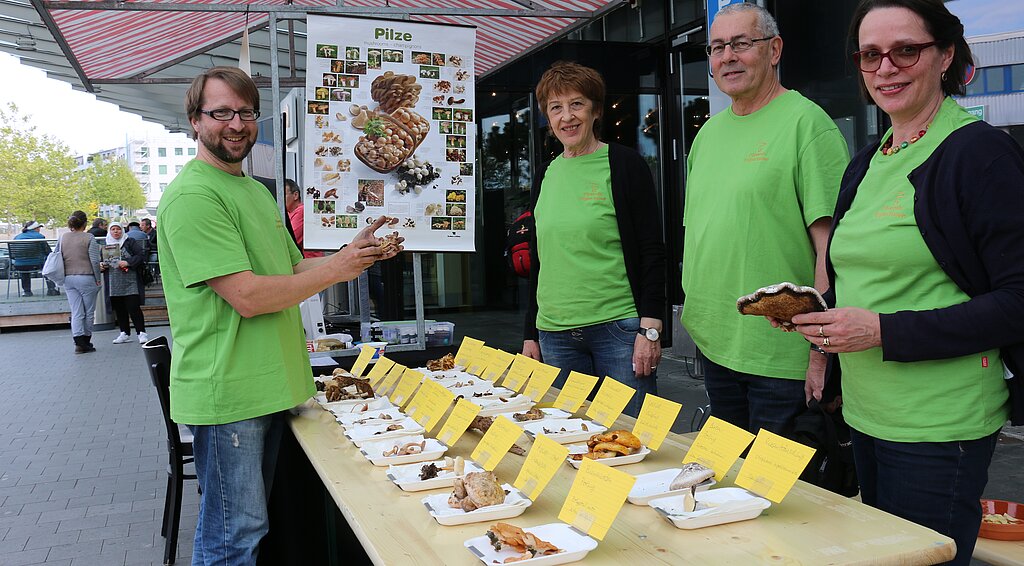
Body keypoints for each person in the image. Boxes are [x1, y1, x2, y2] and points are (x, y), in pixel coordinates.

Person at [789, 1, 1024, 562]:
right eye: (871, 55)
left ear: (945, 55)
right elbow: (858, 277)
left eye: (905, 50)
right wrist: (821, 329)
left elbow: (1017, 301)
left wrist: (882, 332)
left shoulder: (979, 155)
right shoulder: (867, 161)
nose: (886, 68)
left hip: (940, 424)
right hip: (865, 414)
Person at [158, 66, 402, 565]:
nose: (236, 123)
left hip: (269, 386)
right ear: (194, 121)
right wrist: (337, 268)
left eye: (246, 112)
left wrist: (349, 253)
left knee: (250, 530)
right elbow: (247, 296)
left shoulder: (251, 190)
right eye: (221, 112)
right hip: (231, 395)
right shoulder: (193, 196)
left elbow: (290, 270)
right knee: (233, 539)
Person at [680, 3, 849, 437]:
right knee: (730, 494)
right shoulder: (707, 135)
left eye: (741, 43)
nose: (727, 57)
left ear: (774, 50)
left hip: (780, 358)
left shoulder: (808, 125)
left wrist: (819, 354)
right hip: (716, 347)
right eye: (717, 47)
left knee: (782, 498)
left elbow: (832, 253)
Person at [522, 61, 666, 418]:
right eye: (556, 108)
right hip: (554, 334)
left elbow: (652, 249)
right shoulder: (546, 174)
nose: (566, 117)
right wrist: (531, 333)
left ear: (596, 110)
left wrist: (650, 329)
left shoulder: (624, 165)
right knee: (571, 438)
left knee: (632, 439)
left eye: (577, 104)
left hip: (617, 329)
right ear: (547, 117)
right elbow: (541, 259)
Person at [61, 211, 102, 353]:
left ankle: (78, 342)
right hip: (87, 277)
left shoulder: (63, 238)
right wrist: (98, 279)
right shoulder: (89, 237)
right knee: (89, 312)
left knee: (76, 311)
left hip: (68, 278)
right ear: (85, 223)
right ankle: (86, 340)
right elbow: (95, 261)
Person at [102, 222, 148, 345]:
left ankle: (141, 332)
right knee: (120, 308)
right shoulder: (106, 244)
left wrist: (128, 262)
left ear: (122, 230)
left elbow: (141, 255)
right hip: (113, 282)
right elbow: (101, 261)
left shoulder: (130, 241)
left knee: (133, 307)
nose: (116, 232)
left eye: (118, 229)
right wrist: (102, 265)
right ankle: (124, 333)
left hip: (130, 280)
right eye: (113, 229)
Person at [13, 220, 59, 297]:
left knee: (24, 267)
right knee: (48, 263)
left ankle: (27, 291)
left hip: (19, 265)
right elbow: (48, 252)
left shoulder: (17, 237)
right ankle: (51, 290)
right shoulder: (40, 237)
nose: (39, 229)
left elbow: (14, 254)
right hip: (37, 264)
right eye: (39, 227)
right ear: (36, 228)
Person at [284, 178, 323, 258]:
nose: (280, 198)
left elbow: (290, 239)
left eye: (283, 194)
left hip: (311, 263)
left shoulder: (302, 211)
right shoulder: (289, 212)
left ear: (295, 195)